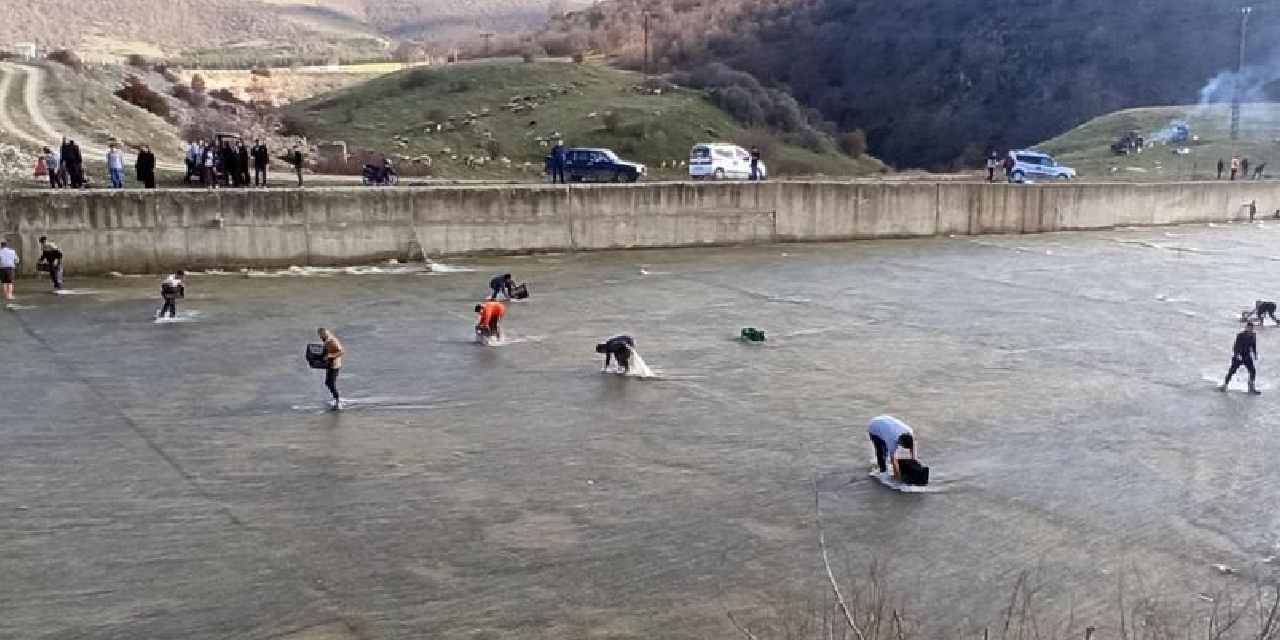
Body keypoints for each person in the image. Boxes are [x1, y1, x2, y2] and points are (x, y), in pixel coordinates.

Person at [867, 415, 917, 479]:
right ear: (900, 442)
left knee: (888, 451)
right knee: (881, 451)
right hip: (874, 426)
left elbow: (912, 447)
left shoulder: (909, 431)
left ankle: (887, 464)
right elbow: (893, 458)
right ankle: (883, 471)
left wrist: (914, 462)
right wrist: (897, 477)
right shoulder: (891, 440)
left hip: (885, 419)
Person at [1220, 322, 1261, 394]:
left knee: (1253, 371)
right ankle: (1225, 385)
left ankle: (1251, 387)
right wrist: (1237, 355)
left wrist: (1255, 354)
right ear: (1246, 328)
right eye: (1248, 328)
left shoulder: (1253, 335)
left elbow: (1253, 345)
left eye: (1251, 328)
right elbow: (1235, 346)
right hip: (1239, 356)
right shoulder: (1240, 335)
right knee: (1232, 371)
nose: (1250, 329)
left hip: (1247, 356)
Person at [317, 328, 345, 410]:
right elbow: (327, 349)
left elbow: (341, 351)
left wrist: (331, 356)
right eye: (319, 335)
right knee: (327, 382)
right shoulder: (325, 339)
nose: (320, 337)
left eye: (321, 335)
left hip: (335, 365)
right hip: (329, 364)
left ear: (325, 334)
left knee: (331, 383)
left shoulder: (332, 340)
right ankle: (336, 398)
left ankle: (338, 400)